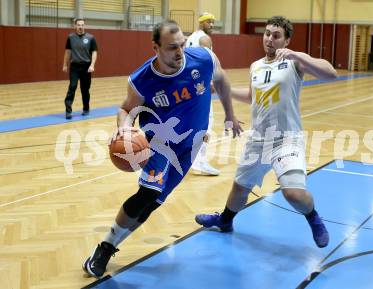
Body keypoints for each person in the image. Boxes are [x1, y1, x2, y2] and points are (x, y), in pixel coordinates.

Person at [82, 20, 243, 278]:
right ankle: (105, 247)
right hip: (159, 144)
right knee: (147, 193)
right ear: (155, 47)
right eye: (171, 47)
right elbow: (126, 109)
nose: (179, 52)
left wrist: (230, 115)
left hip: (189, 148)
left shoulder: (202, 59)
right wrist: (124, 128)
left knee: (152, 203)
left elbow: (222, 80)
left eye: (181, 45)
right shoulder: (142, 79)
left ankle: (111, 243)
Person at [195, 16, 337, 248]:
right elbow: (252, 97)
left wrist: (297, 55)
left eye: (276, 35)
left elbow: (331, 73)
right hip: (259, 138)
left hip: (286, 138)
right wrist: (225, 91)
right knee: (240, 188)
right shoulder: (256, 66)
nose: (270, 39)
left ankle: (314, 218)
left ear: (287, 40)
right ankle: (225, 221)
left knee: (293, 194)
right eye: (267, 34)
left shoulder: (295, 61)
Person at [186, 12, 219, 175]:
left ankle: (187, 158)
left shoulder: (189, 38)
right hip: (201, 86)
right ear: (202, 23)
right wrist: (211, 80)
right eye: (209, 22)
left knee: (192, 123)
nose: (212, 25)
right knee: (207, 123)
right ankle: (201, 162)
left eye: (213, 22)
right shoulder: (205, 39)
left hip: (189, 86)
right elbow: (209, 61)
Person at [62, 18, 98, 119]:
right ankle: (68, 111)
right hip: (74, 66)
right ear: (75, 26)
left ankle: (86, 109)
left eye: (82, 25)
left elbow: (94, 52)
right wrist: (65, 64)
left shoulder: (91, 38)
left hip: (86, 67)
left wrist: (92, 65)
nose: (80, 27)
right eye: (78, 25)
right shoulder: (71, 37)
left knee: (85, 89)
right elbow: (68, 52)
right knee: (72, 87)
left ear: (84, 26)